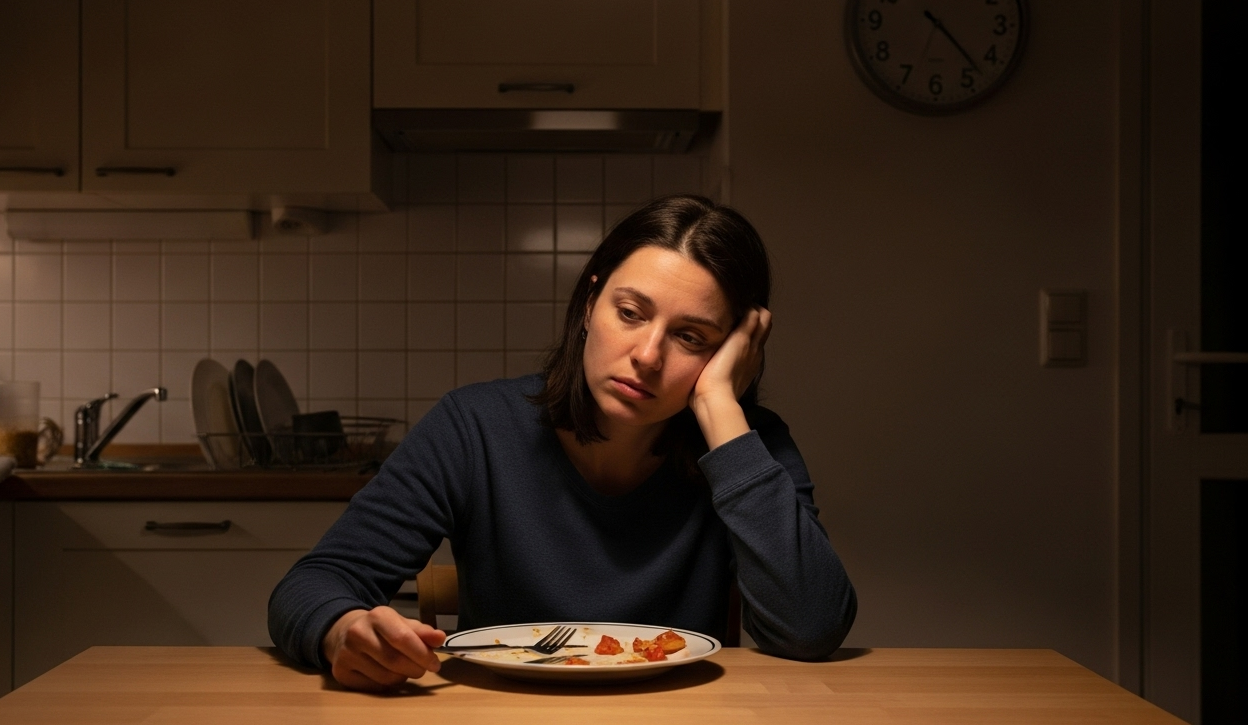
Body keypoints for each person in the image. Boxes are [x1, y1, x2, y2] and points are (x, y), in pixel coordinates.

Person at [268, 194, 857, 691]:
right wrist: (341, 631)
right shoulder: (474, 426)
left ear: (733, 353)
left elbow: (812, 626)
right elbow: (313, 583)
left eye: (691, 338)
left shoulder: (747, 445)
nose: (648, 356)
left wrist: (720, 408)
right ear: (590, 304)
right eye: (631, 313)